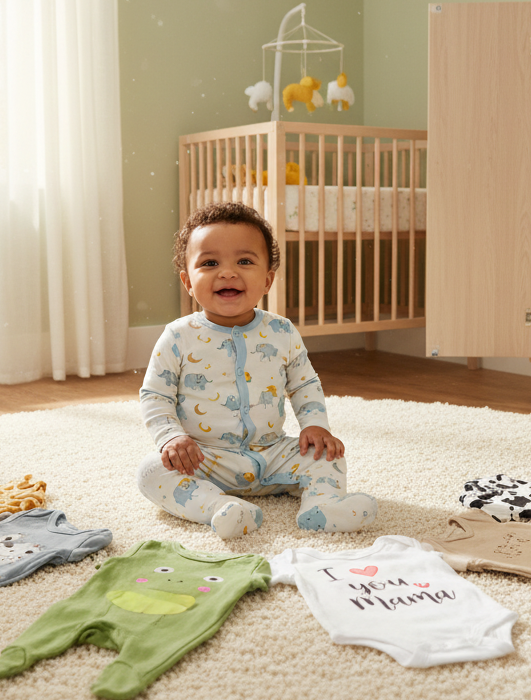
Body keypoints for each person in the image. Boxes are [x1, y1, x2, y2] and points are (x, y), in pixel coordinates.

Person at [136, 202, 378, 539]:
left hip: (273, 453)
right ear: (187, 281)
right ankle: (219, 508)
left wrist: (316, 425)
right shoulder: (178, 336)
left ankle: (322, 506)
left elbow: (304, 382)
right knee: (150, 472)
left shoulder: (281, 331)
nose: (228, 273)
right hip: (205, 459)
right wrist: (172, 438)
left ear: (267, 279)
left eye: (244, 261)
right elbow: (155, 394)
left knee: (328, 454)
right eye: (209, 263)